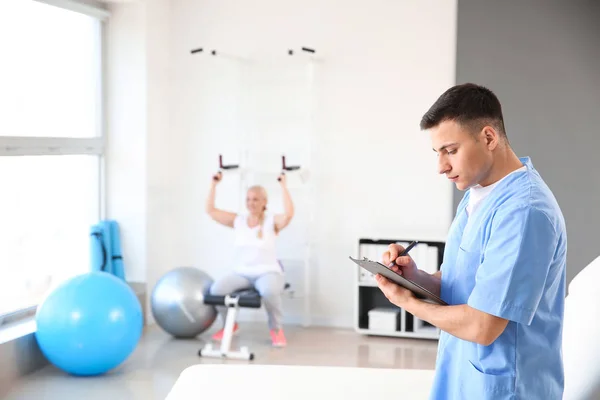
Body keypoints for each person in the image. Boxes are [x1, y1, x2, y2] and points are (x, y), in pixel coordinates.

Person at [376, 83, 567, 399]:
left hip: (507, 387)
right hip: (464, 375)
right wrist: (414, 279)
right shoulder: (476, 194)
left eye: (450, 150)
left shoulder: (525, 212)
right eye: (438, 153)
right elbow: (462, 284)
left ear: (489, 138)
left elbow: (483, 325)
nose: (441, 166)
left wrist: (408, 303)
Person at [205, 170, 294, 347]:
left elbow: (289, 214)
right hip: (242, 273)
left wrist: (284, 186)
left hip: (268, 272)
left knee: (269, 292)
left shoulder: (271, 222)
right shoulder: (238, 220)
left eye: (255, 199)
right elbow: (210, 211)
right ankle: (230, 326)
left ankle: (276, 329)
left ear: (264, 202)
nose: (251, 203)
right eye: (248, 199)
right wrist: (214, 184)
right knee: (216, 290)